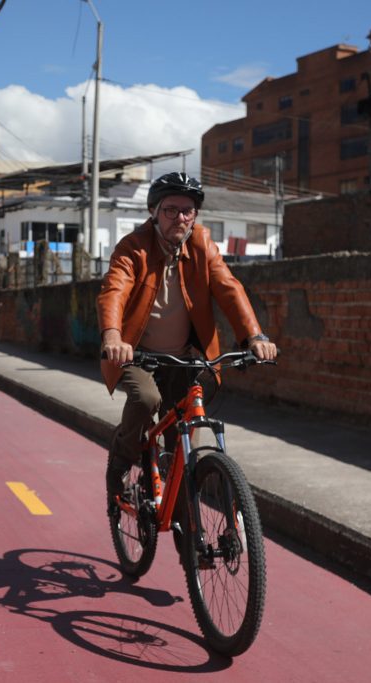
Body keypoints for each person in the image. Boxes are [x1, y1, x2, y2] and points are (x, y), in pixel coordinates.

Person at [97, 172, 278, 501]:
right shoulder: (133, 247)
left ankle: (190, 536)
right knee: (146, 399)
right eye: (171, 209)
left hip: (183, 355)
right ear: (154, 211)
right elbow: (114, 291)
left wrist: (254, 336)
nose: (180, 217)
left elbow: (228, 288)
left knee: (184, 444)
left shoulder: (202, 243)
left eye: (188, 211)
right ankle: (121, 460)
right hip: (138, 354)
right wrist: (112, 336)